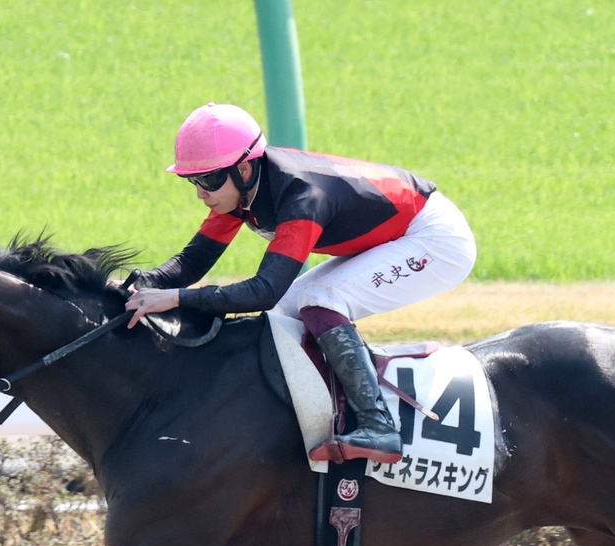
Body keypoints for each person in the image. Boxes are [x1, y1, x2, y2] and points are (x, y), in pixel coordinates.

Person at [125, 102, 477, 464]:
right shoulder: (241, 192)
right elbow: (193, 261)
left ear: (244, 168)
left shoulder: (301, 197)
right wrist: (136, 283)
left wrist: (178, 299)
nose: (201, 192)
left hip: (435, 240)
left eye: (209, 180)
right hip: (392, 235)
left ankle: (379, 427)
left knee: (320, 299)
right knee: (284, 315)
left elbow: (263, 290)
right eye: (193, 181)